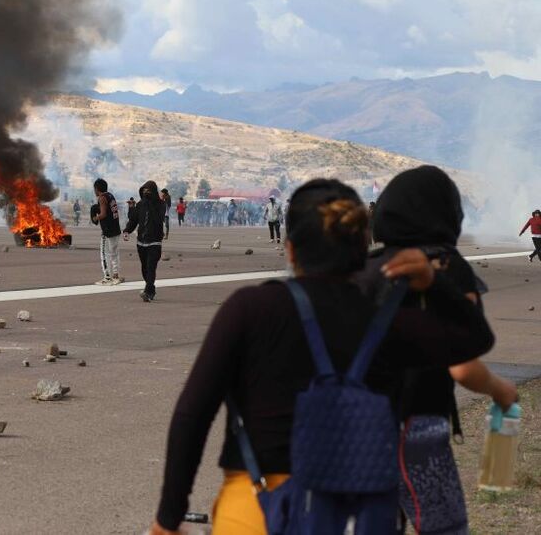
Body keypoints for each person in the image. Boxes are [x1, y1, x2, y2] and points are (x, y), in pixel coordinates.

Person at [150, 178, 496, 535]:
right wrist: (434, 282)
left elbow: (192, 414)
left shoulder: (249, 308)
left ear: (290, 249)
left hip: (256, 513)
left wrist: (168, 518)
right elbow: (474, 338)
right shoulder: (385, 321)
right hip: (355, 517)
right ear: (363, 249)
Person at [359, 166, 518, 534]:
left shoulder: (366, 268)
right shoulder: (446, 266)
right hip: (415, 427)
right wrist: (501, 391)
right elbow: (462, 367)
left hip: (356, 430)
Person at [123, 181, 165, 302]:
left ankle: (148, 292)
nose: (146, 193)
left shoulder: (160, 205)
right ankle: (150, 289)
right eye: (144, 191)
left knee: (151, 267)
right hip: (141, 242)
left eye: (148, 191)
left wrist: (149, 203)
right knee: (144, 268)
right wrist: (127, 230)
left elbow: (158, 219)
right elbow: (134, 220)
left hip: (155, 242)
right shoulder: (140, 205)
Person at [91, 178, 122, 286]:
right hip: (116, 228)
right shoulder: (110, 196)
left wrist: (96, 218)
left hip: (108, 230)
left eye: (94, 189)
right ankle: (116, 275)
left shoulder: (102, 198)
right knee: (114, 253)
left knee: (104, 254)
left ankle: (107, 277)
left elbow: (103, 214)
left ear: (97, 189)